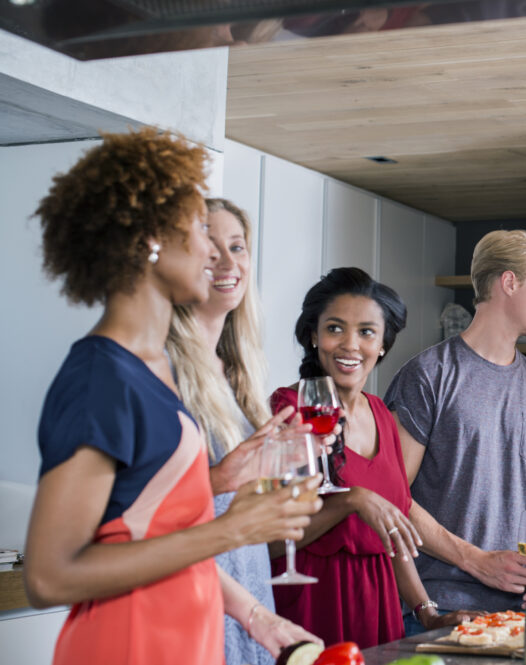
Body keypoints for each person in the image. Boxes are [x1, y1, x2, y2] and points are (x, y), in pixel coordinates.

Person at [23, 129, 322, 665]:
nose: (212, 250)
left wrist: (257, 616)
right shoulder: (100, 376)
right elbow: (49, 575)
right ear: (149, 241)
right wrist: (232, 528)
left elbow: (158, 539)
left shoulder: (154, 370)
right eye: (196, 228)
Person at [269, 268, 477, 647]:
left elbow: (393, 532)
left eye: (366, 332)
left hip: (379, 607)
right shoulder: (289, 409)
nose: (350, 344)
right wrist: (352, 500)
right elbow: (269, 538)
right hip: (312, 602)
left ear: (382, 344)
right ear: (313, 336)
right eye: (335, 328)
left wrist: (427, 612)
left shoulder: (383, 413)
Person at [384, 229, 526, 622]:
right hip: (440, 610)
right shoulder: (428, 376)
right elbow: (392, 496)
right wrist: (476, 561)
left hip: (521, 613)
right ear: (509, 282)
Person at [166, 198, 322, 664]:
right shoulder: (162, 370)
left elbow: (246, 490)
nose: (229, 263)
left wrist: (287, 460)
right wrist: (222, 478)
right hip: (194, 584)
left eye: (238, 247)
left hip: (247, 579)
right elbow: (143, 513)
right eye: (211, 249)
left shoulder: (238, 372)